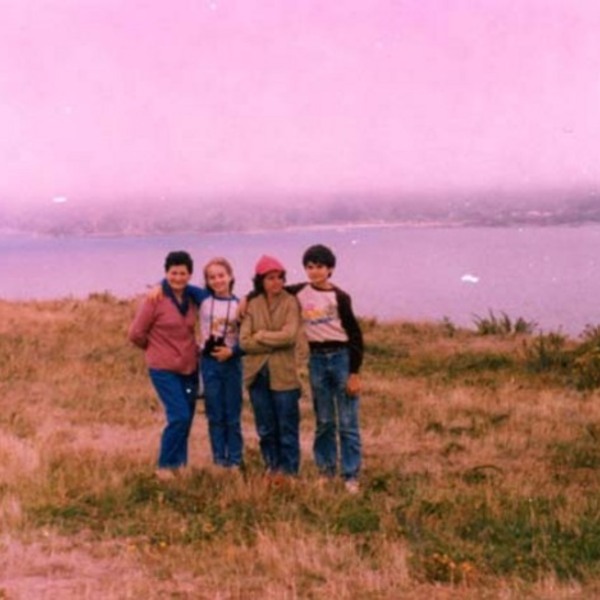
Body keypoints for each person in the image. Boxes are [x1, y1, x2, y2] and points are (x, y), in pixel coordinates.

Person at [286, 244, 364, 493]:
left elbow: (355, 336)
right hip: (317, 359)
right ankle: (326, 471)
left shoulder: (341, 297)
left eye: (319, 267)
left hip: (341, 357)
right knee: (324, 420)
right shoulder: (299, 291)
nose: (314, 272)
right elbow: (268, 288)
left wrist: (354, 373)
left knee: (348, 421)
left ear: (330, 269)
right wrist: (247, 299)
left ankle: (350, 475)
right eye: (309, 267)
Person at [128, 250, 200, 480]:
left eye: (183, 273)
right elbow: (136, 333)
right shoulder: (155, 299)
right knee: (178, 416)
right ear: (166, 273)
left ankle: (180, 466)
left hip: (189, 367)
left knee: (186, 419)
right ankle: (165, 467)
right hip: (163, 369)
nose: (178, 278)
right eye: (173, 273)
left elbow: (213, 293)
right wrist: (155, 350)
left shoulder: (191, 298)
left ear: (190, 275)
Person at [239, 255, 302, 477]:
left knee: (287, 428)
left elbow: (290, 336)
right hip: (257, 375)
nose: (276, 282)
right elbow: (244, 341)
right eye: (270, 278)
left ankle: (290, 472)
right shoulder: (252, 304)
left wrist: (262, 335)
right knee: (266, 428)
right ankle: (272, 469)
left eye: (280, 278)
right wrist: (272, 342)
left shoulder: (290, 302)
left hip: (284, 376)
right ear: (260, 281)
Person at [193, 257, 244, 470]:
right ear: (206, 281)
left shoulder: (240, 304)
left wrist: (233, 352)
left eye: (221, 275)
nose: (217, 280)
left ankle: (235, 460)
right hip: (209, 362)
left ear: (230, 276)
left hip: (231, 362)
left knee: (232, 413)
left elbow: (248, 337)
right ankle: (218, 460)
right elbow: (176, 282)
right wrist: (157, 287)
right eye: (212, 277)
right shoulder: (203, 298)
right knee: (214, 413)